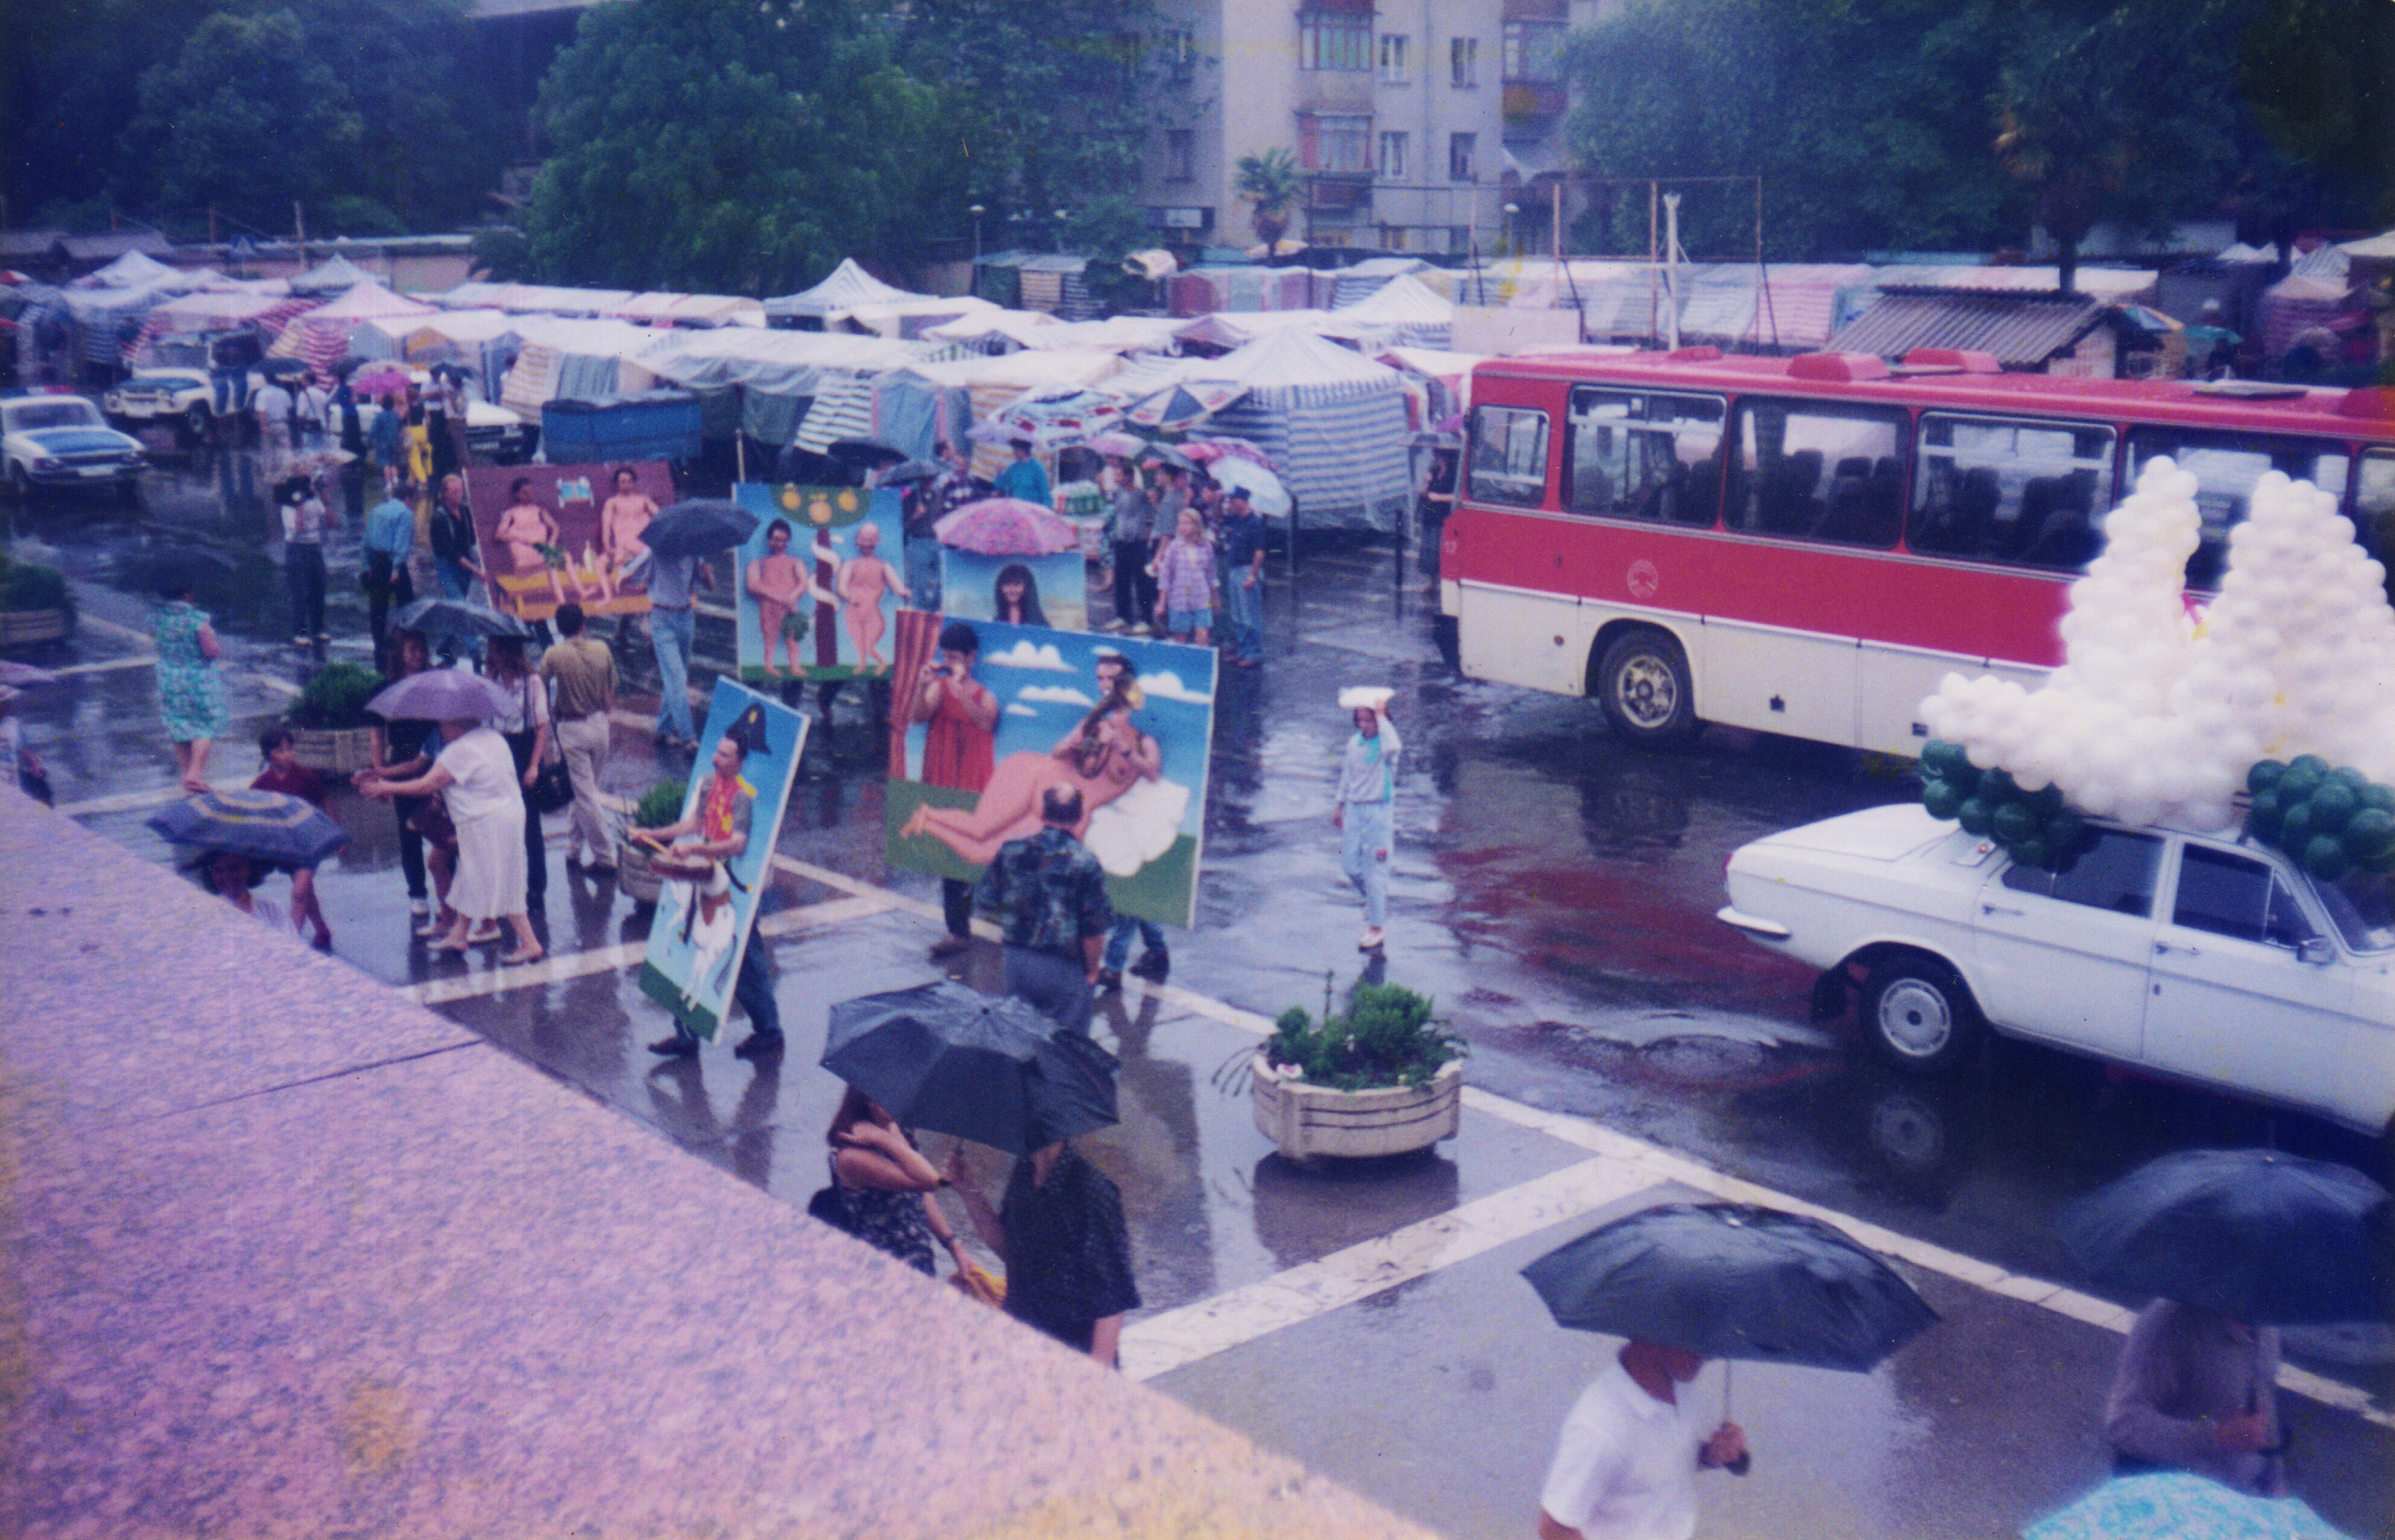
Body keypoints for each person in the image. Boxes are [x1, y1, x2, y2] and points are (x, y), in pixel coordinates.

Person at [635, 715, 782, 1060]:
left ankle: (770, 1032)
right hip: (701, 877)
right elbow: (696, 823)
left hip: (729, 885)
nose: (717, 759)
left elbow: (737, 845)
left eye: (726, 756)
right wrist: (653, 834)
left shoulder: (742, 797)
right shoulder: (707, 783)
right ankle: (685, 1035)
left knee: (746, 961)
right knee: (685, 947)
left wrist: (694, 848)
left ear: (741, 761)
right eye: (717, 752)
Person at [901, 674, 1159, 869]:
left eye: (1112, 685)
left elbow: (1152, 773)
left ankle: (926, 820)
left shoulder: (1143, 742)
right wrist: (1075, 743)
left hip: (1070, 808)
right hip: (1037, 775)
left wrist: (1121, 746)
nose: (1108, 695)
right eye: (1102, 682)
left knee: (984, 855)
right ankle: (930, 812)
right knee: (980, 829)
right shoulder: (1093, 724)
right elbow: (1057, 751)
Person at [944, 1130, 1140, 1365]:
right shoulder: (1024, 1174)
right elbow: (1010, 1251)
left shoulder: (1091, 1189)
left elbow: (1112, 1294)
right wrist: (968, 1190)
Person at [358, 715, 543, 965]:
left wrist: (385, 787)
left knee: (498, 879)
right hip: (508, 814)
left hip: (485, 821)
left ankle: (530, 943)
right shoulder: (493, 737)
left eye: (443, 723)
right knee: (471, 874)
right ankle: (458, 934)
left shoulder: (458, 751)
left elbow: (426, 785)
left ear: (457, 723)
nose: (440, 728)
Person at [1537, 1340, 1749, 1540]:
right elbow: (1555, 1527)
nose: (1706, 1356)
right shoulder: (1599, 1427)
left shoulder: (1680, 1387)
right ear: (1652, 1335)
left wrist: (1710, 1455)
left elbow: (1660, 1459)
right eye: (1691, 1342)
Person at [971, 784, 1113, 1037]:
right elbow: (1094, 933)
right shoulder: (1086, 863)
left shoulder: (1011, 850)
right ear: (1080, 815)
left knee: (1020, 1036)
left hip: (1017, 961)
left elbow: (985, 902)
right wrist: (1092, 972)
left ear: (1042, 812)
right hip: (1065, 968)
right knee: (1067, 1048)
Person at [2104, 1300, 2284, 1495]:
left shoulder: (2268, 1330)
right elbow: (2123, 1425)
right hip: (2173, 1500)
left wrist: (2273, 1484)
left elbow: (2265, 1414)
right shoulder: (2170, 1320)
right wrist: (2216, 1438)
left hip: (2241, 1502)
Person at [916, 620, 999, 960]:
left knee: (983, 850)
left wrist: (960, 686)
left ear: (971, 657)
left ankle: (998, 911)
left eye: (955, 657)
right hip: (943, 769)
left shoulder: (984, 694)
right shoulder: (938, 687)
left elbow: (984, 722)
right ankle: (957, 931)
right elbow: (917, 716)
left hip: (973, 774)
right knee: (950, 853)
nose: (948, 662)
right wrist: (920, 687)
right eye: (945, 656)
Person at [822, 1087, 970, 1278]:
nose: (903, 1100)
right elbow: (929, 1181)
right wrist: (883, 1138)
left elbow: (919, 1193)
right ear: (869, 1100)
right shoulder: (851, 1156)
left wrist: (953, 1245)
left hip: (918, 1258)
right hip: (883, 1269)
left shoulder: (898, 1129)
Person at [364, 630, 446, 929]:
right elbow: (377, 735)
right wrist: (378, 772)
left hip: (433, 758)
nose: (417, 655)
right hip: (400, 760)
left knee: (441, 826)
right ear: (399, 653)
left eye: (421, 649)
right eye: (411, 650)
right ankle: (417, 892)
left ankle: (447, 893)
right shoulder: (383, 689)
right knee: (408, 830)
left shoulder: (434, 684)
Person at [542, 603, 618, 874]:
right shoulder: (602, 649)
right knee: (583, 790)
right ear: (583, 625)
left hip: (572, 728)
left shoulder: (553, 654)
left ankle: (606, 858)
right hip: (600, 724)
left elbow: (540, 688)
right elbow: (610, 694)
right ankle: (573, 850)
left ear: (559, 628)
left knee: (585, 795)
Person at [251, 725, 335, 950]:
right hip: (285, 847)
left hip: (307, 843)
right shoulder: (262, 784)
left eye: (290, 749)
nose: (288, 754)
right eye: (281, 750)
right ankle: (320, 928)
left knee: (298, 892)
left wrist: (337, 834)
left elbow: (325, 800)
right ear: (269, 754)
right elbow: (254, 809)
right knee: (306, 891)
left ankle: (291, 939)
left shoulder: (305, 776)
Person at [484, 635, 553, 908]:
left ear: (507, 651)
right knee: (501, 822)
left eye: (494, 649)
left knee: (530, 825)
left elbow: (542, 726)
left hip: (524, 748)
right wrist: (488, 679)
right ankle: (507, 885)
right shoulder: (492, 681)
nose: (491, 655)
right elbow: (483, 720)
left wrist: (534, 765)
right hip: (499, 749)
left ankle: (536, 887)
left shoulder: (531, 682)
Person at [1334, 690, 1401, 952]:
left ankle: (1376, 927)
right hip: (1354, 809)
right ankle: (1375, 904)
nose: (1364, 725)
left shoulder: (1386, 746)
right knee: (1350, 865)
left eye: (1369, 720)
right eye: (1360, 720)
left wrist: (1382, 716)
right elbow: (1346, 775)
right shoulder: (1354, 743)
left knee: (1375, 870)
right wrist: (1339, 804)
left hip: (1378, 813)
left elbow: (1395, 745)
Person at [152, 574, 226, 793]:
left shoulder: (156, 618)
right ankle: (195, 772)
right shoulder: (196, 619)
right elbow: (211, 651)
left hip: (168, 679)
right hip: (196, 680)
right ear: (187, 593)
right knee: (204, 725)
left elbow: (158, 642)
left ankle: (190, 778)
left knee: (179, 726)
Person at [646, 547, 711, 751]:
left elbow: (709, 586)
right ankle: (688, 737)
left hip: (685, 618)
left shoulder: (694, 554)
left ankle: (663, 728)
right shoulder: (655, 552)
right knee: (677, 677)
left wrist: (707, 573)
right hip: (661, 618)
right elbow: (634, 573)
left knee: (675, 676)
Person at [427, 474, 488, 663]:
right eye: (454, 491)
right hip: (447, 568)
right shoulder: (438, 518)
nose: (459, 495)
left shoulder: (465, 511)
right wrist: (477, 571)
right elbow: (450, 553)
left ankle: (444, 646)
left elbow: (472, 540)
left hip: (465, 565)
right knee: (462, 609)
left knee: (456, 607)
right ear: (444, 494)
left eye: (461, 490)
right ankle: (476, 655)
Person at [361, 477, 418, 672]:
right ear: (407, 498)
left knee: (377, 608)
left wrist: (366, 566)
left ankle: (379, 648)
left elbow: (366, 541)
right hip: (394, 565)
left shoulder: (376, 511)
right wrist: (396, 570)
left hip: (376, 564)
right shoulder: (405, 513)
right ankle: (404, 646)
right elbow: (401, 545)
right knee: (407, 606)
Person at [836, 522, 907, 667]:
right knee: (858, 642)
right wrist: (850, 597)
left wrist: (906, 593)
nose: (867, 543)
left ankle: (881, 664)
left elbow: (898, 587)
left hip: (873, 613)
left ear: (877, 541)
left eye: (871, 539)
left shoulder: (883, 565)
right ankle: (861, 665)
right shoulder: (850, 564)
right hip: (853, 612)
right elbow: (841, 587)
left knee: (868, 644)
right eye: (864, 539)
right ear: (858, 540)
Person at [494, 476, 567, 612]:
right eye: (524, 493)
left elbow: (555, 527)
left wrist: (551, 543)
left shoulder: (539, 510)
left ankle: (563, 603)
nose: (528, 496)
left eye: (530, 492)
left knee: (561, 559)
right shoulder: (512, 513)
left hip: (541, 555)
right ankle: (562, 602)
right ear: (517, 494)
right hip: (524, 560)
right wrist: (519, 538)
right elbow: (498, 534)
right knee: (553, 562)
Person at [278, 475, 332, 646]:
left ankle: (318, 629)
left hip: (314, 547)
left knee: (319, 587)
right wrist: (299, 503)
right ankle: (300, 632)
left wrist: (324, 496)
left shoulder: (315, 499)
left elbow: (332, 521)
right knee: (300, 591)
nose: (310, 488)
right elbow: (299, 528)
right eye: (307, 486)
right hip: (296, 548)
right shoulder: (288, 506)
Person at [1105, 458, 1157, 632]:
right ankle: (1123, 616)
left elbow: (1151, 519)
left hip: (1138, 543)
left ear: (1129, 476)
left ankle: (1146, 619)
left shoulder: (1142, 495)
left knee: (1142, 583)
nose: (1115, 478)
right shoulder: (1118, 494)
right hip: (1121, 542)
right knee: (1121, 581)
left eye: (1119, 475)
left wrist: (1145, 540)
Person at [1153, 506, 1217, 646]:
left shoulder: (1206, 546)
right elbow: (1165, 577)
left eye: (1187, 523)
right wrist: (1161, 603)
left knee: (1202, 635)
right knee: (1180, 638)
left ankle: (1200, 663)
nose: (1183, 527)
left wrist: (1215, 599)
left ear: (1196, 525)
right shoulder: (1174, 547)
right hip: (1179, 597)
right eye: (1181, 523)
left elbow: (1211, 574)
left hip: (1202, 597)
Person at [1219, 485, 1269, 668]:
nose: (1229, 505)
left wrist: (1252, 576)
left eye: (1232, 501)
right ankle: (1243, 650)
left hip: (1246, 570)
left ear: (1242, 501)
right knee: (1238, 615)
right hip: (1234, 570)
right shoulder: (1237, 519)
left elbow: (1260, 552)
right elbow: (1219, 519)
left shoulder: (1254, 523)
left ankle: (1254, 653)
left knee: (1250, 615)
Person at [600, 464, 656, 602]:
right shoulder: (612, 502)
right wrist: (607, 545)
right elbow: (606, 525)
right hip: (625, 543)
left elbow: (659, 515)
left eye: (629, 481)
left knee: (652, 551)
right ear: (617, 484)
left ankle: (629, 575)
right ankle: (627, 575)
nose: (626, 485)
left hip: (644, 541)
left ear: (634, 482)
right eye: (623, 482)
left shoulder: (643, 499)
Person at [1418, 445, 1458, 590]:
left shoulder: (1453, 474)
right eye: (1435, 456)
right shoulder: (1433, 471)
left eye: (1439, 456)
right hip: (1429, 514)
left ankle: (1443, 582)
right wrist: (1426, 482)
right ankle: (1430, 582)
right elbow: (1423, 493)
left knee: (1440, 549)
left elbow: (1456, 496)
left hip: (1443, 515)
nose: (1436, 459)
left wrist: (1439, 497)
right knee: (1428, 548)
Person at [2184, 299, 2242, 382]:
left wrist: (2224, 351)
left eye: (2214, 317)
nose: (2210, 321)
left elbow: (2238, 354)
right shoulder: (2193, 337)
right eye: (2207, 318)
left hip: (2225, 380)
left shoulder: (2231, 337)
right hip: (2197, 380)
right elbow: (2189, 360)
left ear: (2220, 319)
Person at [252, 371, 295, 474]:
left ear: (265, 380)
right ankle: (286, 472)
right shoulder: (283, 392)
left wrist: (262, 426)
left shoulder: (261, 393)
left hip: (268, 424)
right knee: (285, 449)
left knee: (268, 451)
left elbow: (262, 412)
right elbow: (289, 407)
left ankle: (269, 473)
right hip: (282, 423)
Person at [993, 437, 1051, 509]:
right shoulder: (1013, 468)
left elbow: (1044, 491)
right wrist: (999, 473)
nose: (1013, 452)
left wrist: (1046, 510)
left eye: (1015, 449)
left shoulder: (1037, 467)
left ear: (1023, 450)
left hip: (1032, 509)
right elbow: (1001, 486)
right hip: (1016, 509)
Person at [992, 562, 1048, 629]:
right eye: (1007, 584)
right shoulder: (995, 623)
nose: (1011, 590)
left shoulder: (1040, 625)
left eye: (1017, 584)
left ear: (1027, 588)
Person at [368, 393, 405, 489]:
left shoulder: (379, 416)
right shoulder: (395, 416)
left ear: (382, 404)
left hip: (382, 443)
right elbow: (400, 426)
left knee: (386, 463)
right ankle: (396, 479)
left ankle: (388, 484)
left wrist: (369, 441)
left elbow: (373, 430)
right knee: (393, 462)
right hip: (394, 442)